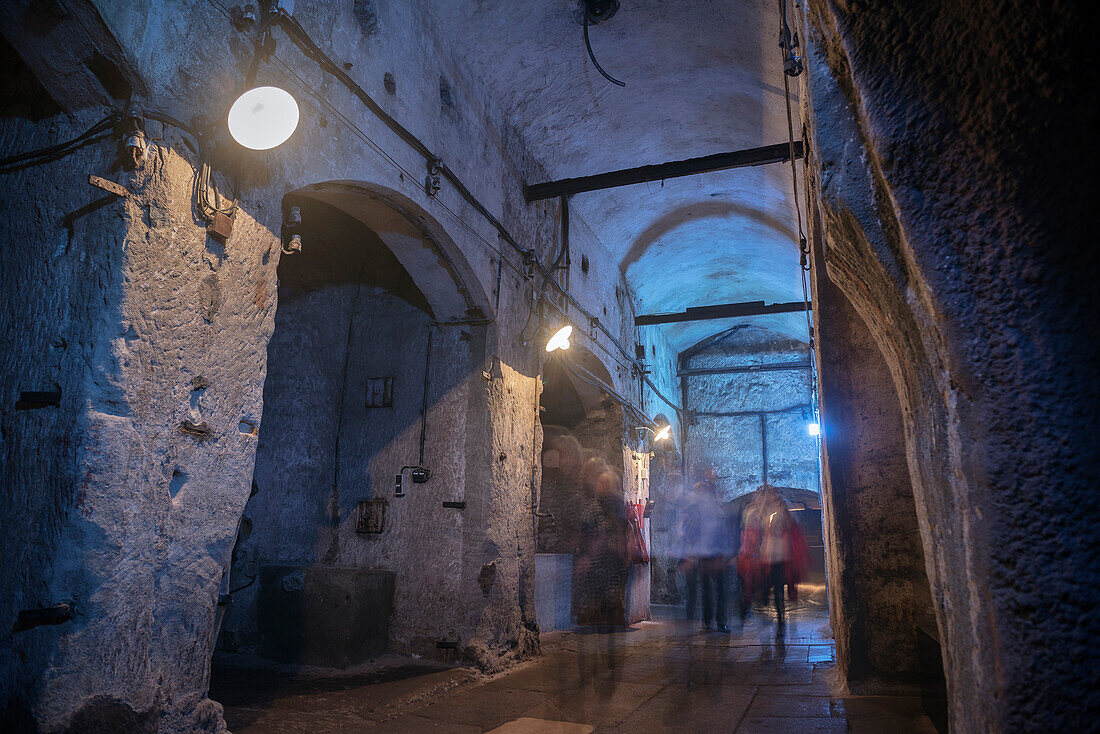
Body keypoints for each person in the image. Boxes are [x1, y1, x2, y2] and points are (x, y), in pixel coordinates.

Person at [738, 485, 809, 636]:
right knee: (762, 588)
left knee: (777, 590)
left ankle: (780, 620)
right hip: (766, 556)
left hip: (779, 556)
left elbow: (781, 527)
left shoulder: (782, 510)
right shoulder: (760, 511)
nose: (769, 497)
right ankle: (759, 614)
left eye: (771, 494)